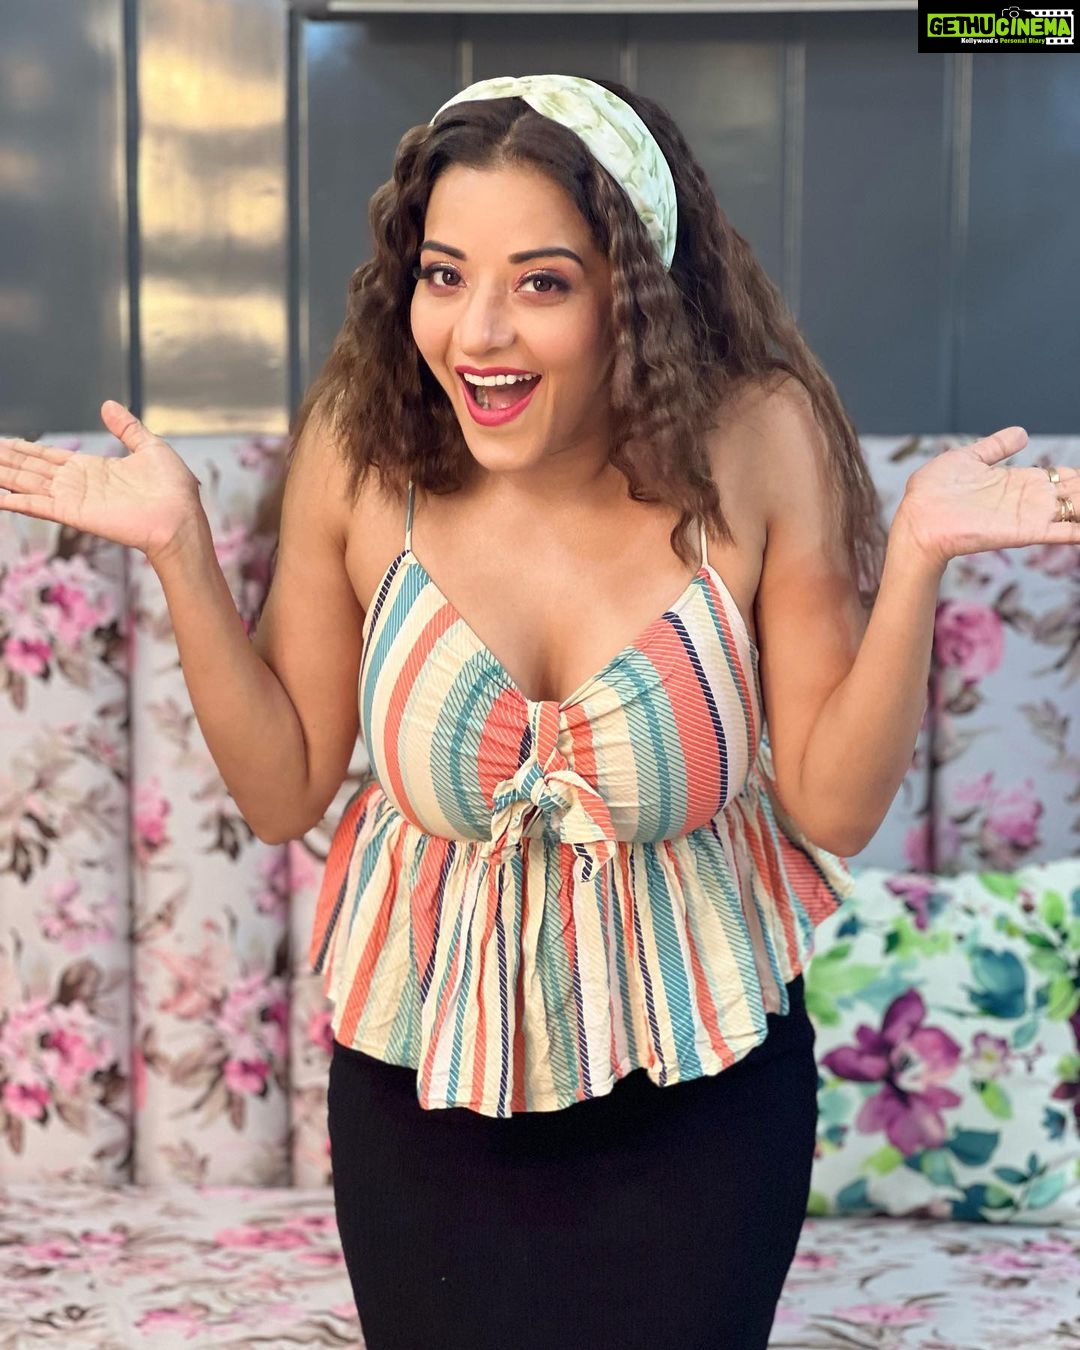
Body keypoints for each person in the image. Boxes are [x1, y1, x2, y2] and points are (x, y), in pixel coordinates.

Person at [0, 70, 1074, 1350]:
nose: (479, 334)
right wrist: (180, 548)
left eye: (543, 283)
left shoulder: (758, 437)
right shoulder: (361, 444)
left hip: (705, 1086)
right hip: (424, 1085)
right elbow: (283, 791)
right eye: (444, 275)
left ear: (636, 294)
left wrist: (918, 556)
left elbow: (834, 808)